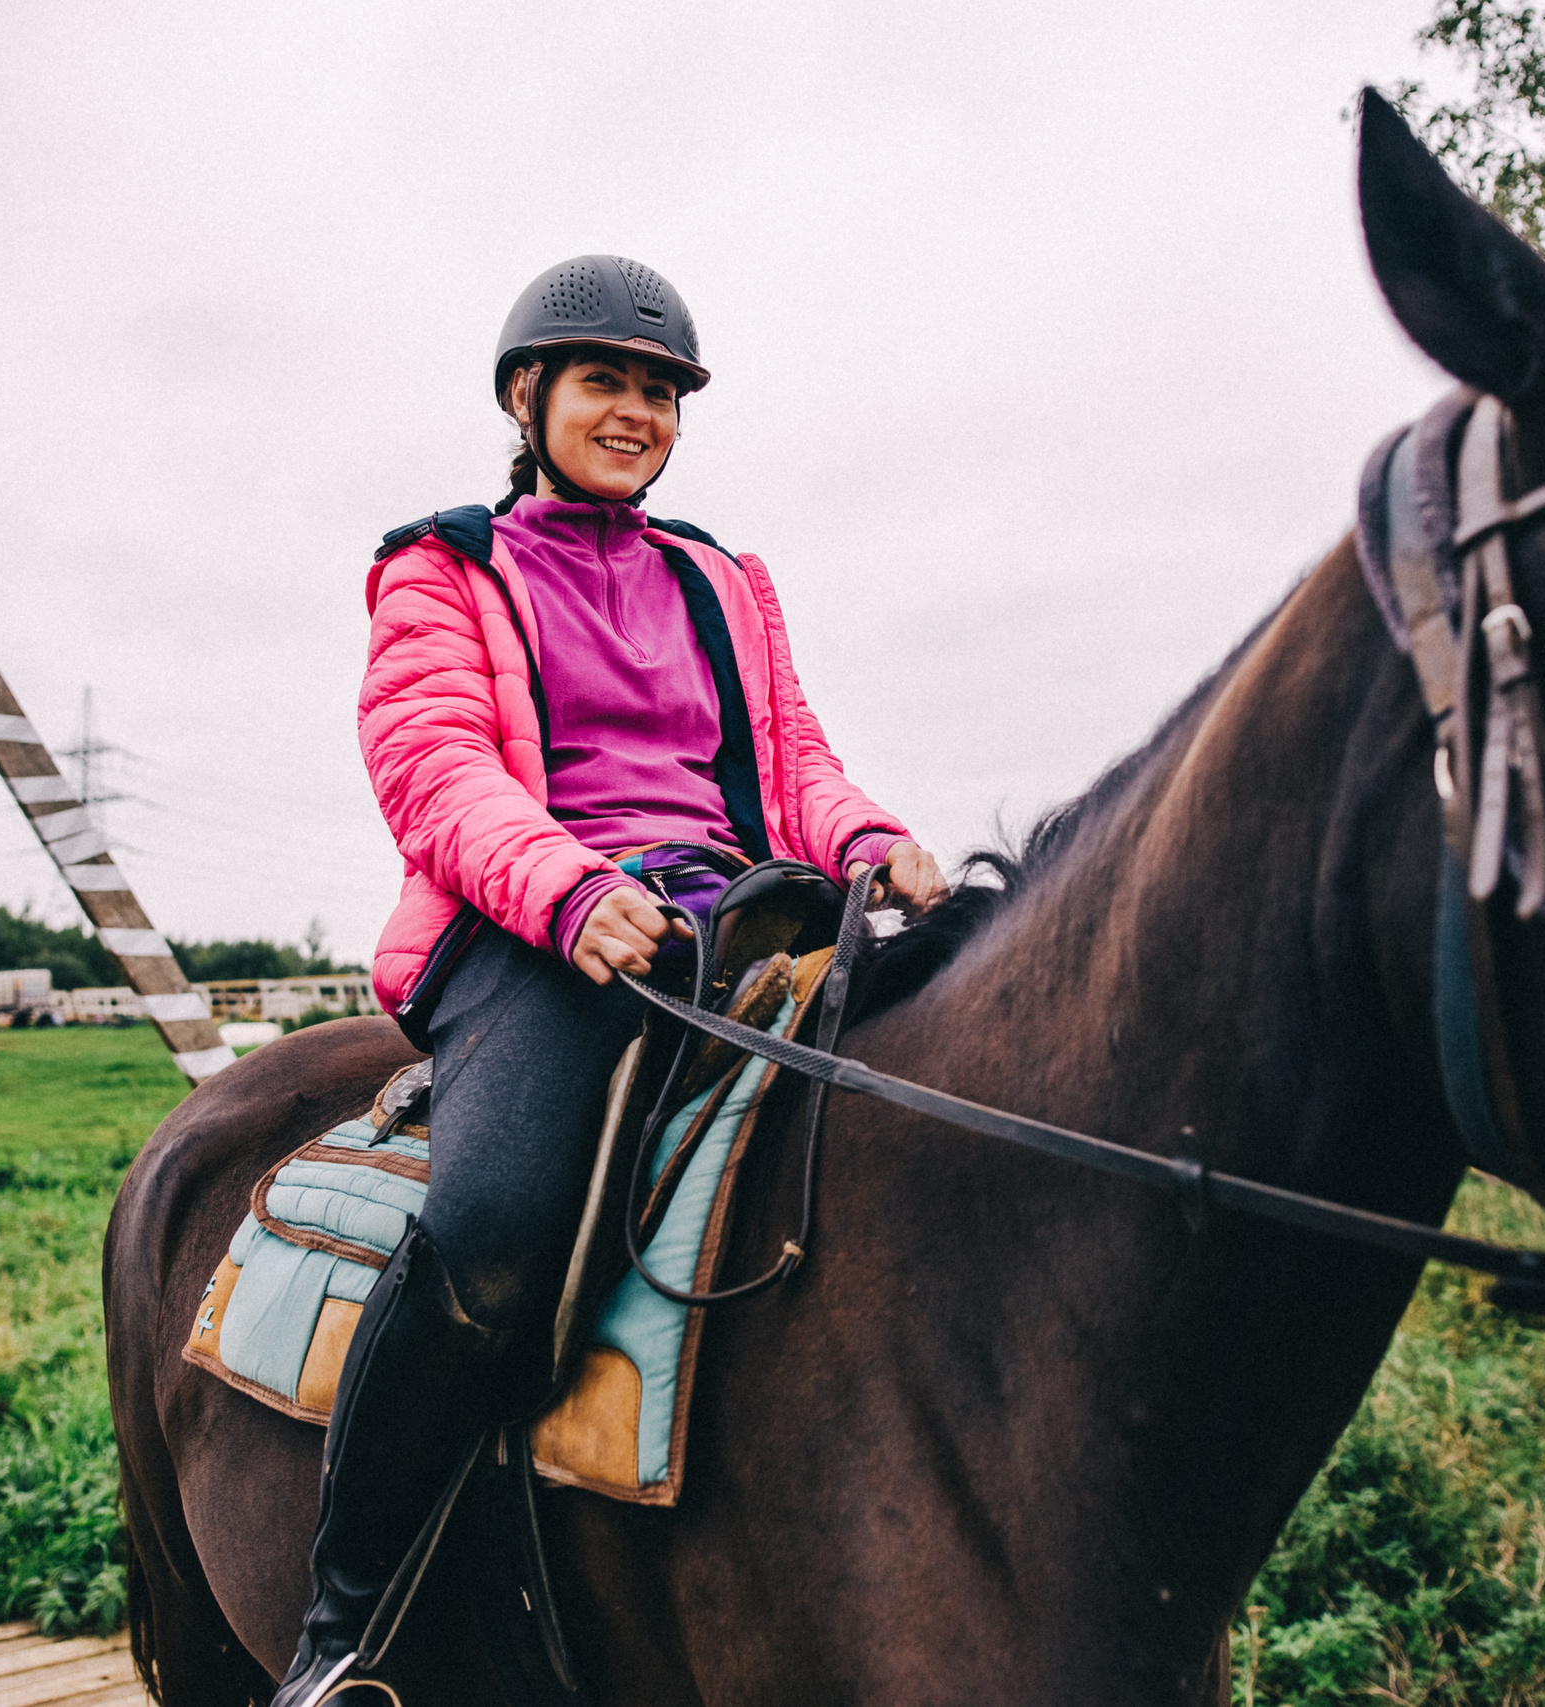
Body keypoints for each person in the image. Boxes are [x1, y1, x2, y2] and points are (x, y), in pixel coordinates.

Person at [272, 255, 947, 1707]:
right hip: (533, 931)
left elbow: (793, 763)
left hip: (735, 915)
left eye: (661, 391)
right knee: (501, 1225)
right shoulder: (440, 566)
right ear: (530, 398)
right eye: (605, 383)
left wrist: (870, 837)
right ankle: (343, 1633)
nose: (636, 412)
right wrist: (570, 887)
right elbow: (433, 764)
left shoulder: (720, 577)